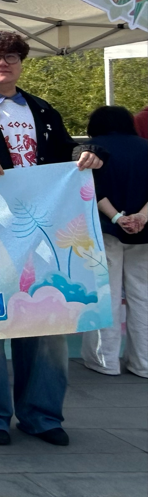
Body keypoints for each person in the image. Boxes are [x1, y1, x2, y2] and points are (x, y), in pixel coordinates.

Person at [0, 31, 105, 447]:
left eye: (11, 56)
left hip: (45, 232)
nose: (3, 63)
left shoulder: (42, 110)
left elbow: (64, 153)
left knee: (50, 320)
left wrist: (84, 155)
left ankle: (42, 415)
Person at [81, 106, 148, 379]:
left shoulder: (91, 151)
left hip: (104, 231)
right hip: (144, 232)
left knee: (104, 294)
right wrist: (141, 217)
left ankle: (104, 360)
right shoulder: (145, 147)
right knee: (142, 296)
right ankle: (143, 362)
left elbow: (90, 189)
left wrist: (117, 217)